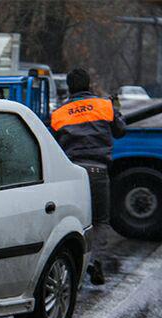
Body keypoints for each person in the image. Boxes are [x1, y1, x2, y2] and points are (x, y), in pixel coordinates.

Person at [51, 68, 126, 285]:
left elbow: (52, 143)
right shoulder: (104, 106)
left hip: (72, 174)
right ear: (89, 84)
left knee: (69, 221)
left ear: (69, 86)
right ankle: (95, 261)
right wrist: (116, 109)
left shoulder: (59, 113)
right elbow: (120, 131)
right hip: (98, 171)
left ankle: (69, 267)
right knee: (100, 221)